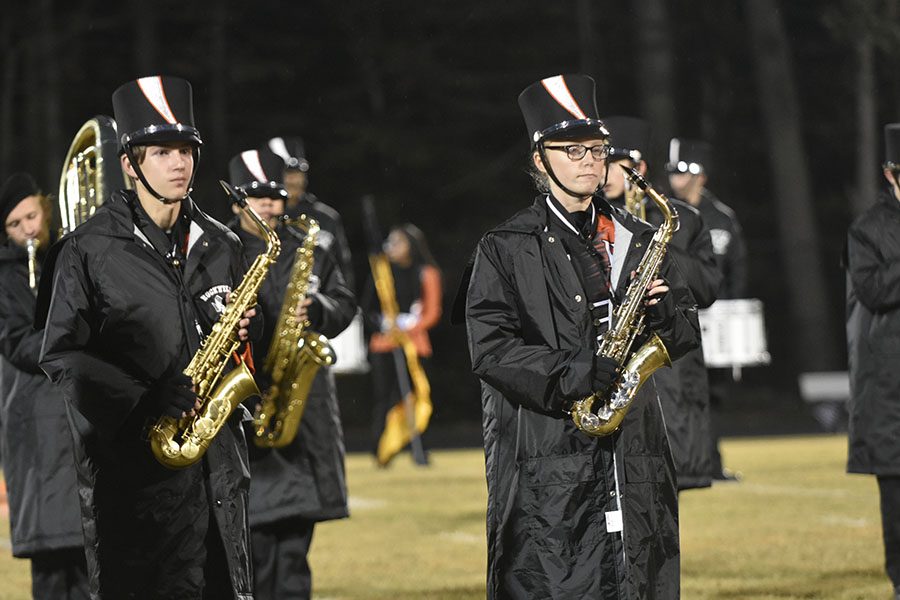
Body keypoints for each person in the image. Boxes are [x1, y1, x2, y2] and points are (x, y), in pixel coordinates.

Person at [461, 73, 700, 598]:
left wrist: (666, 321)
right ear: (540, 159)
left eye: (598, 149)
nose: (592, 161)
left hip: (635, 450)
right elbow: (491, 350)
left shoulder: (639, 237)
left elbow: (685, 332)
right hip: (550, 456)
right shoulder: (504, 246)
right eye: (573, 150)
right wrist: (574, 371)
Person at [36, 75, 258, 599]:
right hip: (134, 484)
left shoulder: (223, 244)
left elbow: (248, 346)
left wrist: (248, 334)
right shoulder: (86, 249)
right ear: (130, 163)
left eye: (186, 150)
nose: (179, 163)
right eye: (162, 151)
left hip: (218, 477)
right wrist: (144, 397)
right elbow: (63, 354)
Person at [228, 147, 356, 600]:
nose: (267, 205)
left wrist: (317, 309)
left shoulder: (308, 244)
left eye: (274, 196)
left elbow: (345, 302)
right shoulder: (219, 249)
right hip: (250, 399)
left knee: (296, 539)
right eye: (256, 196)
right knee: (258, 538)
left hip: (303, 406)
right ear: (236, 201)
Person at [603, 116, 721, 491]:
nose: (602, 171)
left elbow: (707, 289)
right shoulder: (586, 222)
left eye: (612, 162)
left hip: (669, 374)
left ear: (638, 168)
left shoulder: (683, 220)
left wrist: (656, 243)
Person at [0, 173, 88, 599]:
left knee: (94, 560)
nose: (28, 230)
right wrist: (70, 339)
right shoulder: (4, 278)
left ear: (45, 209)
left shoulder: (72, 256)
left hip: (79, 418)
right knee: (52, 565)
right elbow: (16, 344)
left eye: (32, 216)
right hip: (34, 426)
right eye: (15, 225)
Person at [667, 137, 748, 482]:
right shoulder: (665, 214)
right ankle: (683, 460)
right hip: (680, 317)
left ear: (700, 174)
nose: (675, 180)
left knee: (714, 392)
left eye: (682, 172)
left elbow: (738, 272)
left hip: (718, 319)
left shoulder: (722, 218)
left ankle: (709, 459)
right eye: (672, 172)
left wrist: (735, 317)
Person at [846, 122, 900, 600]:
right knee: (897, 492)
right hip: (891, 382)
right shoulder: (867, 228)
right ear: (890, 175)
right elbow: (875, 290)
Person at [363, 223, 442, 465]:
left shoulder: (426, 272)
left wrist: (408, 327)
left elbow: (432, 311)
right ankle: (382, 449)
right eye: (390, 241)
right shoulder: (381, 273)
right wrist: (383, 325)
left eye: (398, 242)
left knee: (417, 396)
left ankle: (419, 449)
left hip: (415, 345)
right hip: (384, 345)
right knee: (384, 399)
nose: (392, 247)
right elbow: (367, 309)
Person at [267, 136, 355, 290]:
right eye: (286, 173)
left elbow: (343, 270)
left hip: (319, 304)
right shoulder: (265, 217)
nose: (292, 179)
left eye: (297, 172)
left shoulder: (327, 217)